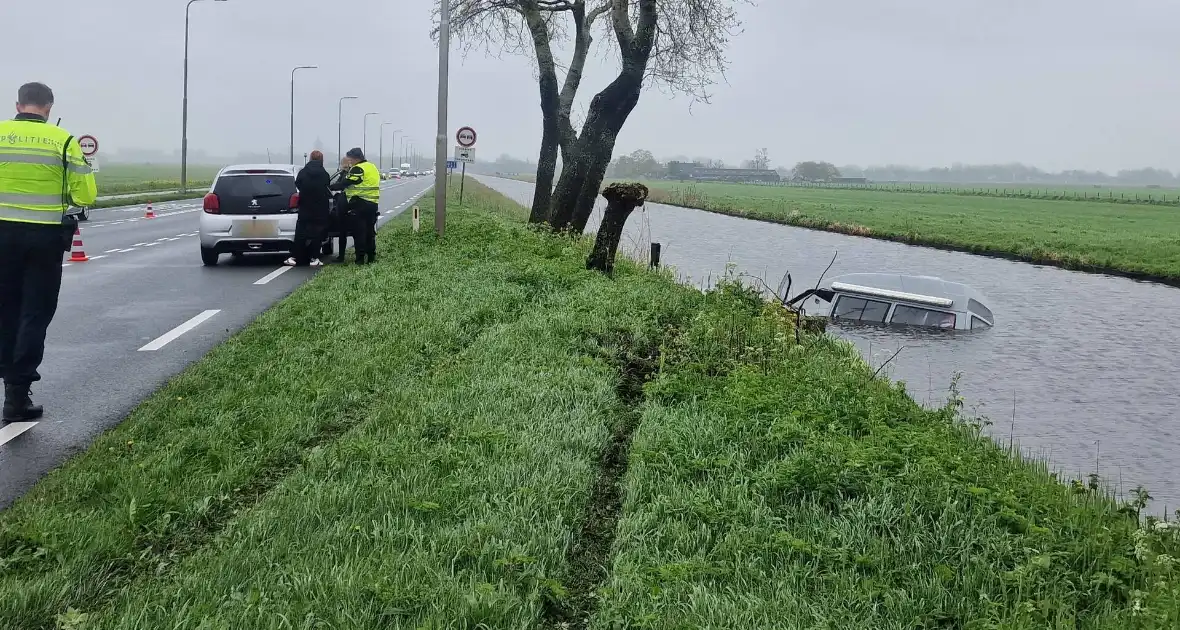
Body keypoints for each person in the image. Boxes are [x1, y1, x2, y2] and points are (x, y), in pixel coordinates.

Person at [0, 82, 97, 423]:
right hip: (42, 239)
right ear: (49, 108)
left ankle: (8, 377)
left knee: (5, 309)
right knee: (34, 313)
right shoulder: (64, 141)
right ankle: (17, 394)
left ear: (18, 104)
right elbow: (85, 195)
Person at [329, 148, 380, 265]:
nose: (350, 162)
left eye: (350, 159)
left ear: (356, 158)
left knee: (359, 233)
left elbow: (346, 183)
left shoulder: (358, 168)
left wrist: (330, 187)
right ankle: (371, 257)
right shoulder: (372, 167)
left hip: (360, 204)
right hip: (373, 204)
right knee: (370, 232)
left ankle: (360, 259)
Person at [286, 150, 331, 267]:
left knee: (301, 233)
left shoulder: (303, 172)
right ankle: (314, 258)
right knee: (317, 234)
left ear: (310, 158)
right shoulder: (324, 174)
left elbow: (298, 184)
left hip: (305, 207)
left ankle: (295, 257)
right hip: (320, 208)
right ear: (322, 160)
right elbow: (327, 187)